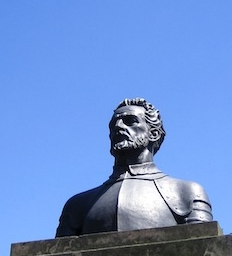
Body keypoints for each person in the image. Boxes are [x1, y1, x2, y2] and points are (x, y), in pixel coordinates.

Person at [55, 98, 213, 237]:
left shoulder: (186, 193)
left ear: (154, 133)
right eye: (113, 124)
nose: (118, 126)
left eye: (130, 121)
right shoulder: (77, 205)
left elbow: (205, 252)